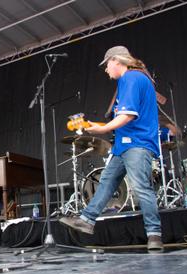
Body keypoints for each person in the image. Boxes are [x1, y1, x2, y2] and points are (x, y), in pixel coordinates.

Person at [59, 46, 164, 252]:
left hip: (137, 143)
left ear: (117, 61)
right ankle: (87, 220)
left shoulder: (131, 78)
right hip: (124, 144)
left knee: (141, 187)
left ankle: (154, 235)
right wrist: (93, 126)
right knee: (106, 182)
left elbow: (128, 116)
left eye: (107, 64)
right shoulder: (132, 80)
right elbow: (122, 118)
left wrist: (104, 128)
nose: (106, 69)